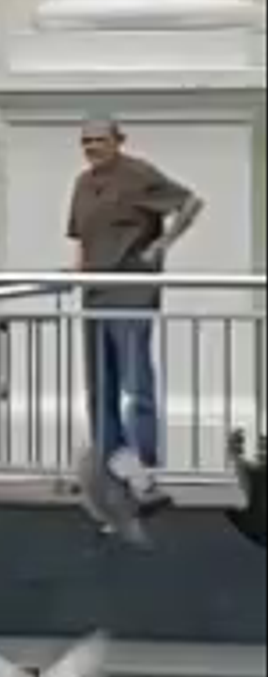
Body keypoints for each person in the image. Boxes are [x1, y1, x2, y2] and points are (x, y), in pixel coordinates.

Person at [68, 119, 197, 485]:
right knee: (98, 380)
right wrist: (75, 273)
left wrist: (161, 245)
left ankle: (145, 462)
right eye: (86, 141)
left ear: (118, 141)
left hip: (131, 291)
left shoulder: (138, 174)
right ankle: (109, 460)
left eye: (99, 140)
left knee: (135, 379)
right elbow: (80, 236)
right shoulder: (82, 183)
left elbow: (189, 203)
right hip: (94, 290)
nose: (92, 147)